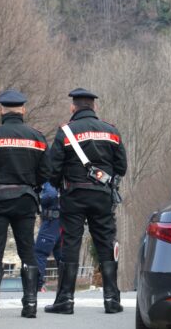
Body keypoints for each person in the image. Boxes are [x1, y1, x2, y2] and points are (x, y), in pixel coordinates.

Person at [45, 88, 127, 315]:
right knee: (106, 244)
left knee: (70, 243)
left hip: (73, 196)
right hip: (102, 196)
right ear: (94, 107)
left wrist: (60, 183)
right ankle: (111, 299)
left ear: (73, 107)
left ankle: (65, 301)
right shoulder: (112, 131)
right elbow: (122, 167)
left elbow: (53, 170)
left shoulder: (66, 132)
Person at [0, 89, 50, 319]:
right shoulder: (36, 137)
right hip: (26, 200)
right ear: (23, 110)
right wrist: (32, 186)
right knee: (27, 251)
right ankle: (31, 304)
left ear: (0, 110)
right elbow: (46, 172)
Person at [34, 182, 61, 292]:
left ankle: (38, 285)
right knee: (62, 256)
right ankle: (66, 288)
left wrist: (39, 197)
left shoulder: (48, 177)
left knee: (40, 253)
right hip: (65, 222)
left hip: (51, 222)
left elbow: (50, 194)